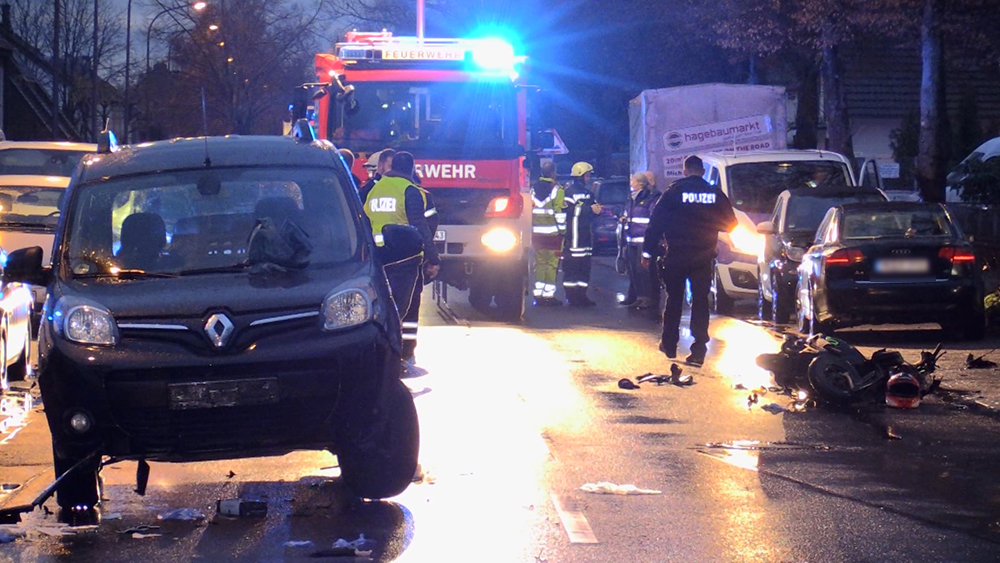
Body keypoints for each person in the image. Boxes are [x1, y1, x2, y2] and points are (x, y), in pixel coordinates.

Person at [642, 155, 736, 366]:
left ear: (685, 171)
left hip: (676, 254)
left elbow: (655, 223)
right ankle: (699, 349)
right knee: (700, 302)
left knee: (674, 299)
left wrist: (647, 252)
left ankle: (669, 344)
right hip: (703, 256)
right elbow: (731, 223)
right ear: (702, 171)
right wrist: (709, 225)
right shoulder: (714, 193)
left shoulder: (674, 192)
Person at [364, 151, 440, 375]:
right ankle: (403, 354)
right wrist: (433, 258)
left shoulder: (373, 189)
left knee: (378, 306)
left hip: (375, 258)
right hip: (404, 258)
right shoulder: (410, 191)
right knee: (407, 307)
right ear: (412, 169)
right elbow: (421, 226)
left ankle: (378, 350)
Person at [562, 162, 602, 306]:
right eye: (587, 175)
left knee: (585, 269)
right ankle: (571, 297)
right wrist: (589, 209)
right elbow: (567, 212)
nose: (588, 178)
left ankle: (582, 296)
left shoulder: (589, 193)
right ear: (579, 176)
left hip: (586, 239)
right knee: (572, 270)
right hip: (573, 239)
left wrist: (597, 210)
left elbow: (594, 210)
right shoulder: (568, 193)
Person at [621, 172, 660, 310]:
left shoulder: (649, 198)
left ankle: (647, 298)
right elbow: (627, 214)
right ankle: (639, 297)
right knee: (633, 270)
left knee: (643, 269)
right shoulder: (631, 198)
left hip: (643, 240)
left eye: (633, 181)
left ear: (640, 183)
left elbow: (653, 218)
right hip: (631, 239)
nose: (631, 183)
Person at [530, 161, 566, 306]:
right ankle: (548, 296)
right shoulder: (557, 190)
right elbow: (559, 213)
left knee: (539, 264)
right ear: (553, 173)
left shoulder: (533, 189)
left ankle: (538, 294)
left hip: (536, 234)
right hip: (553, 235)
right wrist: (563, 231)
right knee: (551, 265)